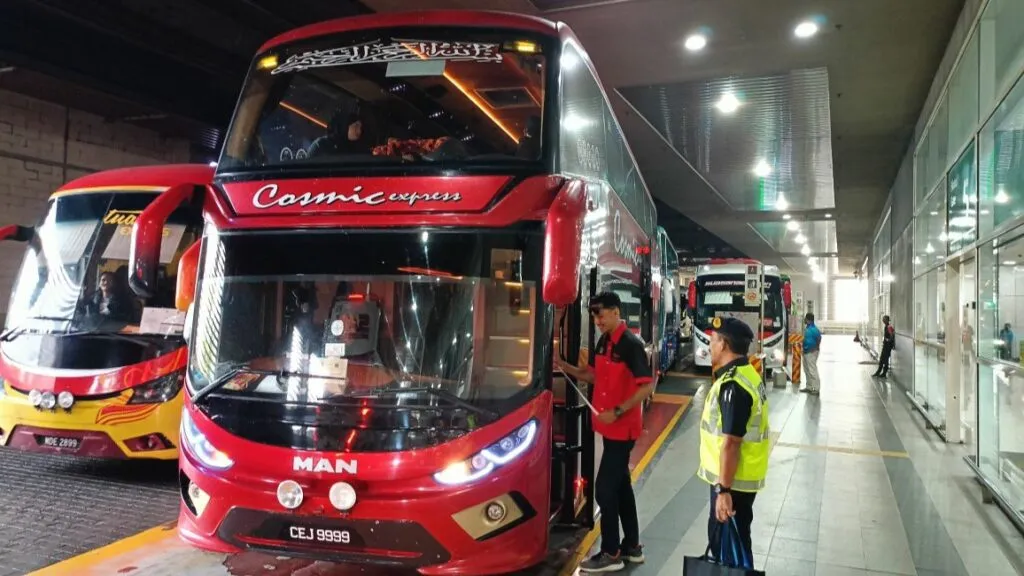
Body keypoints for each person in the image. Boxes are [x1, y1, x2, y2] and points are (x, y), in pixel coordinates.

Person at [555, 291, 655, 573]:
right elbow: (594, 376)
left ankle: (611, 552)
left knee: (603, 491)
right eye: (594, 315)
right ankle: (632, 547)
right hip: (609, 429)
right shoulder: (603, 342)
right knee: (621, 487)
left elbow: (646, 385)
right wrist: (565, 367)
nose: (597, 320)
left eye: (601, 314)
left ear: (615, 311)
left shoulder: (630, 344)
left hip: (623, 430)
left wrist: (619, 410)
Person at [697, 317, 770, 563]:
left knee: (730, 550)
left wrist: (724, 490)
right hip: (738, 479)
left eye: (713, 341)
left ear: (724, 344)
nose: (710, 347)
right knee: (734, 543)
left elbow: (731, 443)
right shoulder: (747, 374)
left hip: (733, 482)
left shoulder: (733, 386)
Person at [801, 312, 821, 395]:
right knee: (807, 370)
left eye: (805, 318)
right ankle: (809, 387)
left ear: (808, 320)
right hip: (806, 352)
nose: (804, 320)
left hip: (811, 352)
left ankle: (816, 388)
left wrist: (814, 349)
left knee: (812, 370)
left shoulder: (814, 329)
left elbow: (819, 339)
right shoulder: (807, 328)